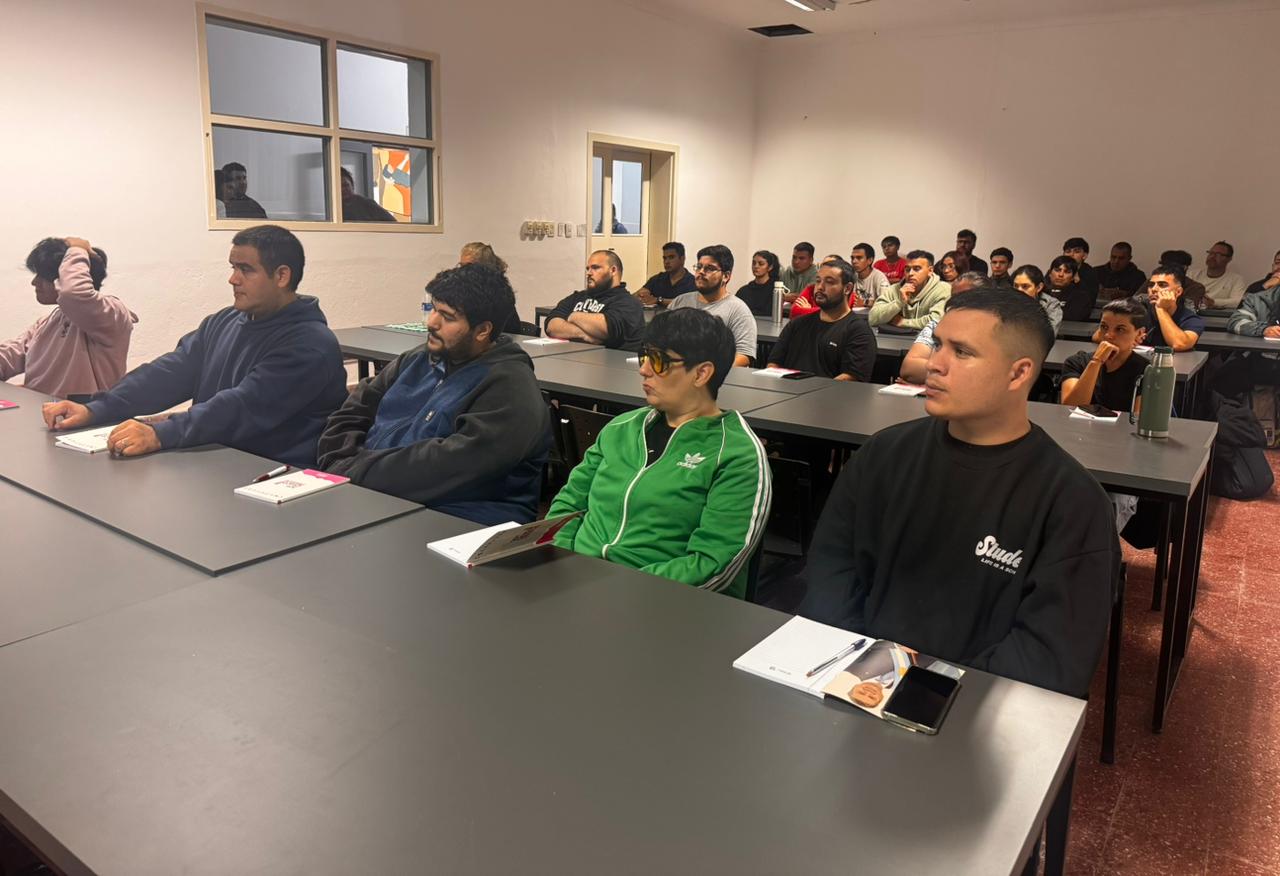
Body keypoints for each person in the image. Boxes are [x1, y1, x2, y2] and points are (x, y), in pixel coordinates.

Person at [801, 290, 1117, 698]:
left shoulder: (1072, 502)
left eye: (962, 352)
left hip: (972, 706)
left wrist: (925, 693)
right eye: (937, 344)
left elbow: (1048, 657)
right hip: (856, 678)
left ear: (1018, 374)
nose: (934, 364)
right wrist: (862, 670)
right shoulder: (884, 454)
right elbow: (831, 568)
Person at [41, 225, 347, 466]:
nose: (233, 279)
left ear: (281, 276)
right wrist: (95, 409)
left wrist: (161, 433)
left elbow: (243, 406)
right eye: (232, 267)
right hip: (217, 458)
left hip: (273, 472)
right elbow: (167, 375)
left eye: (246, 270)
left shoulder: (309, 345)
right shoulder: (224, 321)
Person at [546, 308, 772, 600]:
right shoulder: (622, 427)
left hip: (661, 603)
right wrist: (562, 563)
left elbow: (712, 564)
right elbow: (568, 505)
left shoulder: (736, 454)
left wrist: (616, 589)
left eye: (659, 361)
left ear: (701, 373)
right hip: (577, 585)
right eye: (644, 356)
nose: (643, 369)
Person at [317, 263, 550, 524]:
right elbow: (354, 410)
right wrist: (340, 459)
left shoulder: (510, 389)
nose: (431, 322)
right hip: (379, 493)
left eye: (447, 317)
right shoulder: (417, 359)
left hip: (461, 516)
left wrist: (353, 469)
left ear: (483, 330)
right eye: (434, 309)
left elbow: (445, 468)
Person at [1, 237, 136, 399]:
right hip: (40, 411)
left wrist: (77, 249)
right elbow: (10, 356)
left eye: (43, 276)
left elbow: (73, 293)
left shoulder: (112, 314)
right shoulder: (46, 323)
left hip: (85, 414)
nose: (34, 282)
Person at [768, 259, 877, 382]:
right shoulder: (797, 324)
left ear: (847, 288)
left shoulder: (858, 332)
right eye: (818, 281)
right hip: (787, 390)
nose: (820, 287)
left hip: (829, 393)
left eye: (829, 282)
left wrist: (808, 390)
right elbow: (774, 363)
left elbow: (851, 377)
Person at [669, 245, 757, 367]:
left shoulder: (738, 310)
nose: (701, 272)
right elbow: (660, 338)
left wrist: (712, 372)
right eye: (699, 267)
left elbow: (744, 356)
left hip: (714, 375)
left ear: (726, 276)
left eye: (709, 268)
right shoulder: (680, 302)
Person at [897, 271, 988, 384]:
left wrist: (931, 377)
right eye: (954, 297)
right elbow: (909, 368)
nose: (956, 303)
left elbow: (984, 376)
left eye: (965, 298)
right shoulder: (937, 324)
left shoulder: (993, 332)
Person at [1060, 298, 1149, 412]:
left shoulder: (1146, 371)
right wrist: (1096, 362)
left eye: (1120, 329)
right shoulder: (1077, 362)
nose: (1108, 335)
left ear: (1139, 333)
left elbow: (1139, 418)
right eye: (1104, 327)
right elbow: (1070, 408)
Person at [545, 250, 644, 350]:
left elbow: (607, 329)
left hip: (611, 359)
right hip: (573, 356)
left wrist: (573, 316)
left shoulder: (628, 302)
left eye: (595, 268)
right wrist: (583, 334)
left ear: (613, 270)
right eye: (588, 268)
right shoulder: (577, 297)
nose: (588, 273)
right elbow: (551, 326)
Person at [868, 250, 951, 329]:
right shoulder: (894, 289)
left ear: (930, 271)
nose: (910, 273)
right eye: (907, 269)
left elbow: (937, 321)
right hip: (895, 338)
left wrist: (903, 322)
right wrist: (899, 303)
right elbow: (872, 319)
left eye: (917, 269)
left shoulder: (943, 289)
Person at [458, 242, 523, 334]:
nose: (462, 271)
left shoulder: (497, 290)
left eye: (468, 266)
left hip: (503, 337)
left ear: (484, 267)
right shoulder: (466, 287)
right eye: (461, 266)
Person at [1141, 263, 1204, 351]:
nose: (1154, 289)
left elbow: (1179, 344)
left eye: (1162, 285)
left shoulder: (1191, 319)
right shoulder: (1138, 311)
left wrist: (1161, 309)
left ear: (1178, 292)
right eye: (1151, 285)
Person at [1189, 241, 1248, 310]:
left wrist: (1214, 302)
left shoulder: (1236, 279)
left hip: (1218, 315)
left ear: (1229, 259)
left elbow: (1238, 301)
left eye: (1218, 254)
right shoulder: (1193, 275)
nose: (1212, 256)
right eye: (1211, 253)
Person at [635, 241, 697, 306]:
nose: (666, 262)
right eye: (664, 258)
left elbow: (688, 303)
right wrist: (641, 296)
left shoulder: (693, 282)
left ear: (682, 259)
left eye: (671, 257)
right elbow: (637, 294)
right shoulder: (657, 279)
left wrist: (659, 300)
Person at [788, 253, 843, 320]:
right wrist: (817, 312)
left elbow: (837, 314)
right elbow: (794, 312)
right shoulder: (811, 288)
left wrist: (809, 310)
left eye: (830, 266)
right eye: (822, 265)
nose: (825, 269)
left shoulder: (844, 291)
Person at [1011, 264, 1063, 333]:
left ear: (1039, 287)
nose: (1019, 290)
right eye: (1016, 286)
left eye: (1025, 286)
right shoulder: (1007, 300)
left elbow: (1048, 335)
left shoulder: (1051, 304)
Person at [1044, 255, 1092, 322]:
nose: (1061, 274)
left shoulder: (1080, 296)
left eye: (1067, 272)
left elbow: (1075, 317)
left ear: (1073, 277)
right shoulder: (1039, 292)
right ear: (1050, 273)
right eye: (1057, 270)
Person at [736, 250, 780, 317]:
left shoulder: (776, 291)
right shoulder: (743, 291)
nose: (756, 266)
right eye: (754, 263)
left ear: (770, 267)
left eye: (761, 264)